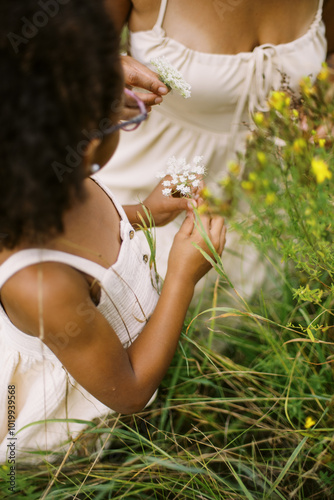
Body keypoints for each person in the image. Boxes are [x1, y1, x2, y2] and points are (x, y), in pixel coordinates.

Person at [0, 0, 226, 463]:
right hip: (83, 416)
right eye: (122, 114)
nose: (127, 109)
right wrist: (182, 275)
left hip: (108, 358)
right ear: (85, 148)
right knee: (88, 461)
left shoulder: (45, 178)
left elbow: (92, 246)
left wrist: (144, 213)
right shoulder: (39, 283)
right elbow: (129, 391)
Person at [99, 0, 333, 292]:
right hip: (142, 198)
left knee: (254, 324)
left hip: (269, 219)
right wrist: (99, 81)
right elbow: (58, 67)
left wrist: (326, 99)